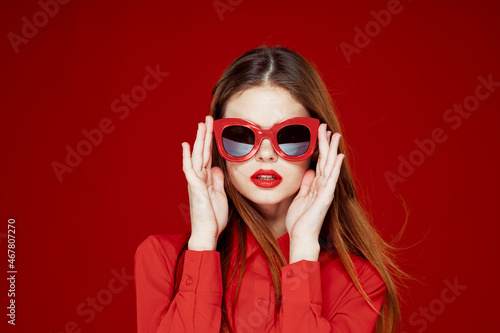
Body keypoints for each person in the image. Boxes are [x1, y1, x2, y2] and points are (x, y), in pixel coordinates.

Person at [134, 45, 406, 333]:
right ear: (218, 146)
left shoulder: (360, 284)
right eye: (241, 135)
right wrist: (203, 241)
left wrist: (301, 249)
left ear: (318, 148)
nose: (266, 154)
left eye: (290, 135)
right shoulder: (161, 259)